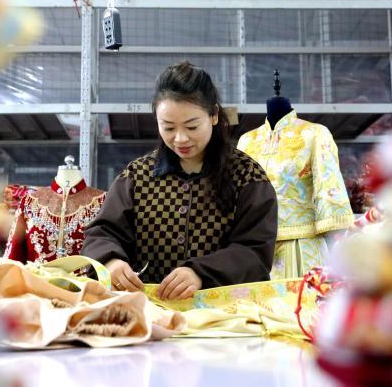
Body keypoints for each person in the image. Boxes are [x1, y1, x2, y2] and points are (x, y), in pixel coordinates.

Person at [81, 61, 278, 300]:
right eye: (168, 127)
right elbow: (102, 232)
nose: (180, 139)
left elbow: (255, 251)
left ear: (214, 116)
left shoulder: (248, 177)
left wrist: (201, 273)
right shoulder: (136, 176)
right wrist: (110, 262)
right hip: (149, 309)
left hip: (225, 315)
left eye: (192, 126)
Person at [237, 70, 353, 279]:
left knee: (304, 305)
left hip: (302, 244)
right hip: (257, 248)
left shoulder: (315, 133)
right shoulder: (247, 141)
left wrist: (333, 227)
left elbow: (328, 183)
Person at [3, 156, 106, 264]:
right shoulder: (29, 201)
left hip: (89, 280)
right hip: (37, 280)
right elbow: (13, 256)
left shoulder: (103, 201)